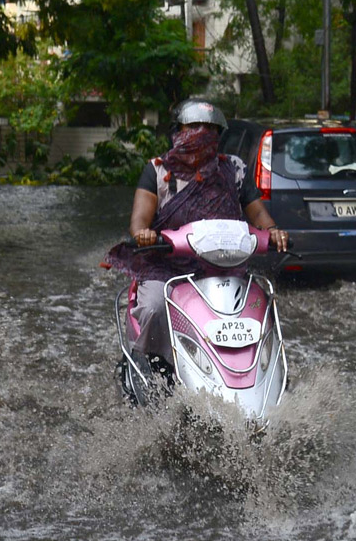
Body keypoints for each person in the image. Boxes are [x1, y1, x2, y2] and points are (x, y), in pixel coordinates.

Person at [106, 100, 288, 366]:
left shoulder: (233, 170)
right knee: (155, 308)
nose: (202, 133)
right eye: (194, 127)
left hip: (224, 267)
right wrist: (144, 234)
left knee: (261, 307)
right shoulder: (158, 171)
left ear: (219, 135)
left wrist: (272, 231)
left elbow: (257, 213)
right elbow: (139, 221)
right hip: (168, 267)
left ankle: (266, 369)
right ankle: (154, 363)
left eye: (209, 129)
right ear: (178, 131)